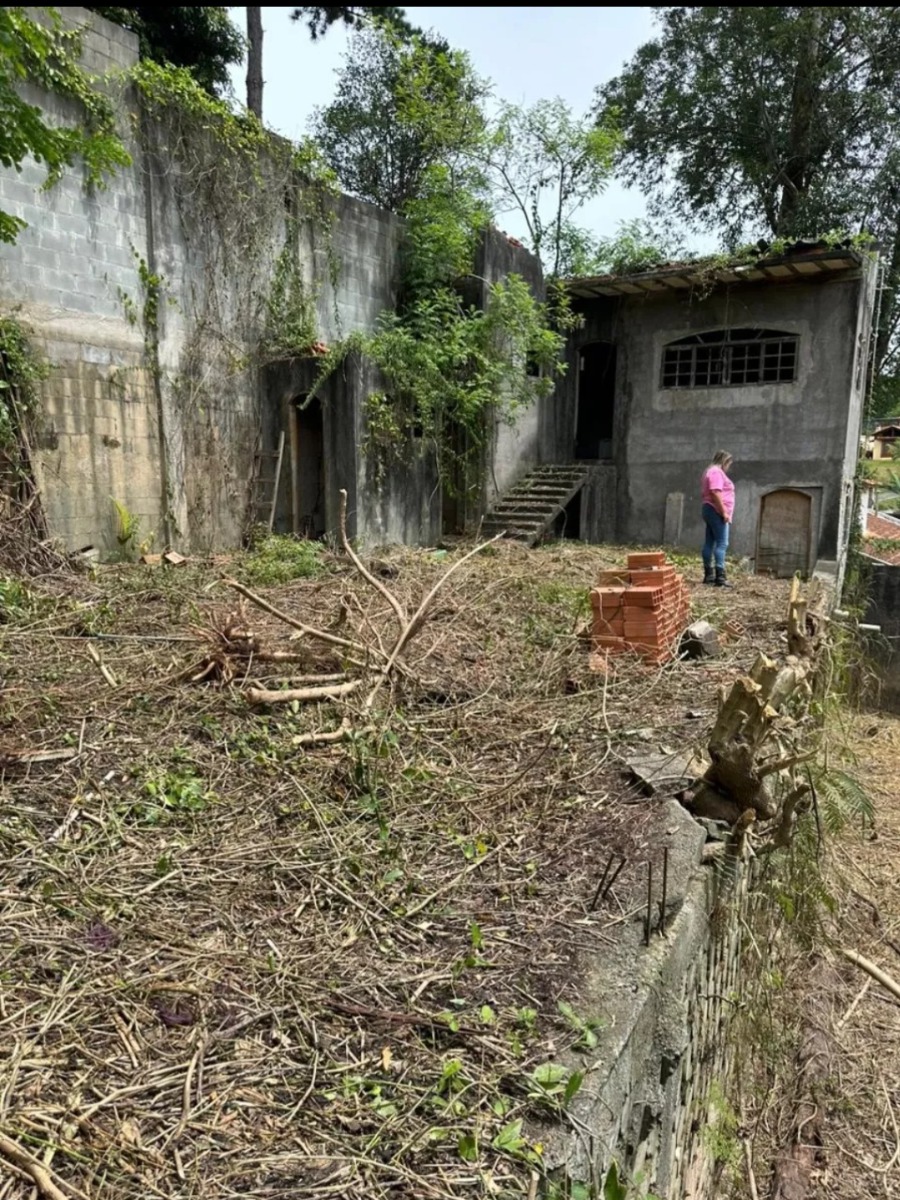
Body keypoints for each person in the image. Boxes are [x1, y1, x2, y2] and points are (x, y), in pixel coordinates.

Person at [701, 451, 735, 587]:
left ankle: (709, 575)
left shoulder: (709, 471)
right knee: (722, 543)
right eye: (728, 464)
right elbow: (715, 492)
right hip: (716, 510)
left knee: (709, 541)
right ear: (724, 461)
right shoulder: (716, 472)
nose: (728, 467)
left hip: (710, 509)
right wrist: (724, 512)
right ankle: (720, 577)